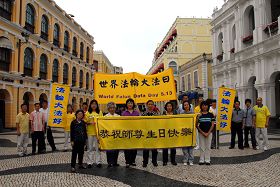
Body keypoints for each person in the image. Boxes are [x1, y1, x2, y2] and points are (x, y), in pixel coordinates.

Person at [122, 98, 140, 168]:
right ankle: (127, 161)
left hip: (135, 132)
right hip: (126, 132)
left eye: (131, 103)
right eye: (128, 103)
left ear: (133, 104)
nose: (130, 104)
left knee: (134, 147)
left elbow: (139, 122)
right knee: (127, 147)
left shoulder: (136, 113)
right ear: (126, 104)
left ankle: (133, 160)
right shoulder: (124, 113)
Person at [85, 100, 103, 168]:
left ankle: (98, 162)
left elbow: (102, 121)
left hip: (97, 133)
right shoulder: (87, 113)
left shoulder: (100, 112)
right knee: (90, 148)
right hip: (90, 132)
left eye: (95, 104)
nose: (94, 105)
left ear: (97, 105)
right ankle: (89, 162)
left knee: (97, 148)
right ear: (90, 105)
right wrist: (90, 123)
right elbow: (85, 122)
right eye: (92, 104)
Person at [142, 100, 159, 167]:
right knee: (145, 149)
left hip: (154, 133)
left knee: (154, 149)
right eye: (149, 104)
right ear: (147, 105)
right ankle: (145, 162)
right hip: (146, 133)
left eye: (152, 104)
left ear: (153, 105)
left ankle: (154, 161)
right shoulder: (143, 114)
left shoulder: (156, 114)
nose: (150, 105)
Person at [196, 101, 215, 165]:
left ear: (208, 106)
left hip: (209, 133)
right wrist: (202, 132)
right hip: (201, 133)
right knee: (202, 146)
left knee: (208, 146)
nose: (204, 107)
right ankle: (201, 160)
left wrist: (208, 132)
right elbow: (196, 125)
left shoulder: (211, 114)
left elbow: (212, 125)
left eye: (206, 105)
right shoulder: (199, 115)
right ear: (201, 106)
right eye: (203, 105)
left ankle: (207, 160)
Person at [105, 102, 120, 168]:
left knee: (116, 149)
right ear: (108, 109)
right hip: (109, 135)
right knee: (109, 149)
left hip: (116, 134)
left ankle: (115, 162)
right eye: (110, 108)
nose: (112, 109)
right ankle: (109, 162)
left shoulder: (118, 116)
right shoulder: (105, 117)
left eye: (113, 108)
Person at [162, 102, 177, 166]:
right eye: (168, 106)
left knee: (173, 148)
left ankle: (173, 160)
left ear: (172, 107)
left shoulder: (175, 113)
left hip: (173, 132)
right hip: (165, 132)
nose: (169, 107)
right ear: (166, 107)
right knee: (165, 148)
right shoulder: (163, 114)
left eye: (170, 106)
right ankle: (165, 161)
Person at [180, 101, 194, 166]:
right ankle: (185, 160)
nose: (186, 106)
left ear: (189, 105)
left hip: (191, 132)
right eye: (185, 105)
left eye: (187, 104)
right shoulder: (181, 114)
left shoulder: (193, 113)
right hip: (183, 132)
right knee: (184, 148)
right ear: (183, 106)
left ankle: (191, 160)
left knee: (191, 147)